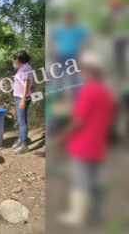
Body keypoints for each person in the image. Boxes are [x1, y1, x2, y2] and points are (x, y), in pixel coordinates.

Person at [55, 51, 115, 226]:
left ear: (89, 70)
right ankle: (95, 215)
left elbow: (78, 121)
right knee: (95, 181)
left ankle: (77, 216)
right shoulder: (106, 91)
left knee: (81, 181)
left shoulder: (87, 90)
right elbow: (109, 118)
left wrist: (61, 137)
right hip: (99, 144)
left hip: (83, 144)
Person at [11, 50, 33, 154]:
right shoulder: (23, 67)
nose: (13, 62)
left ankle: (24, 145)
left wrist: (22, 100)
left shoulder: (25, 68)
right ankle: (21, 139)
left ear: (19, 60)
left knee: (21, 121)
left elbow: (26, 85)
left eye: (14, 60)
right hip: (19, 97)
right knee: (22, 120)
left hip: (22, 98)